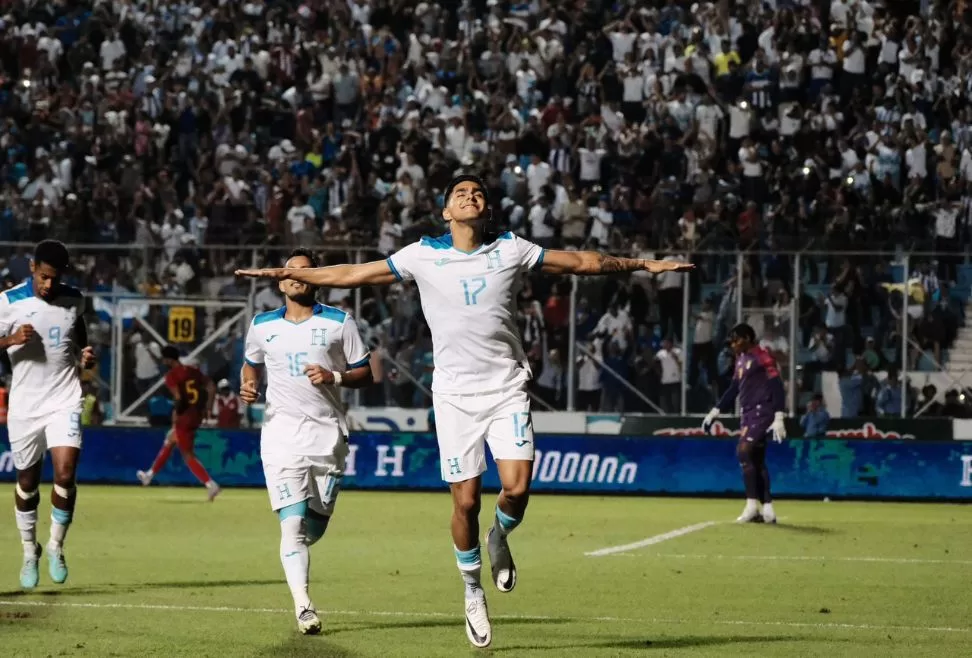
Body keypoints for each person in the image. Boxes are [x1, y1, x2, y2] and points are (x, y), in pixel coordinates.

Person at [237, 174, 693, 648]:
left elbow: (579, 261)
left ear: (486, 209)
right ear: (446, 212)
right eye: (460, 194)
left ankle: (499, 537)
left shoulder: (511, 249)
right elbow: (353, 274)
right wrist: (285, 276)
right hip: (454, 396)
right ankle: (473, 591)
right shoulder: (422, 254)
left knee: (517, 488)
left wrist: (643, 264)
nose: (470, 197)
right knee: (466, 502)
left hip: (506, 388)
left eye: (478, 193)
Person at [239, 247, 373, 636]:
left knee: (314, 528)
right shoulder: (262, 324)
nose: (297, 276)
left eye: (306, 271)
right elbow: (252, 362)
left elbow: (365, 372)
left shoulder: (338, 322)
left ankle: (306, 550)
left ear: (319, 278)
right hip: (280, 435)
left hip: (327, 436)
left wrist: (334, 378)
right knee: (292, 525)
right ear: (280, 279)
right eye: (290, 270)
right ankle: (304, 607)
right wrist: (249, 383)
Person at [0, 240, 96, 589]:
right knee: (26, 482)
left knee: (66, 472)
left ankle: (56, 545)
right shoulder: (8, 302)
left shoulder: (74, 299)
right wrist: (9, 340)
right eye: (43, 277)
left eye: (54, 279)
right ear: (32, 268)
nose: (48, 285)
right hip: (25, 405)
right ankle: (30, 551)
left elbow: (79, 334)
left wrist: (85, 356)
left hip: (65, 398)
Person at [701, 323, 786, 524]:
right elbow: (734, 388)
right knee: (756, 459)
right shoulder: (741, 360)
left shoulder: (762, 356)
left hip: (761, 411)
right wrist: (716, 411)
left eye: (736, 339)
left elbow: (777, 386)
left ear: (748, 338)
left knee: (743, 451)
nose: (733, 344)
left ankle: (750, 505)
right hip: (747, 414)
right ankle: (767, 509)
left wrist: (779, 415)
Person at [136, 347, 220, 500]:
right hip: (197, 414)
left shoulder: (171, 376)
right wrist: (208, 407)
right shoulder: (193, 370)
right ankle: (149, 475)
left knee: (187, 455)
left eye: (164, 359)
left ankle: (210, 484)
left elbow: (179, 398)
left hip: (185, 415)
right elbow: (211, 386)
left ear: (168, 360)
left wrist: (175, 414)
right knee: (170, 439)